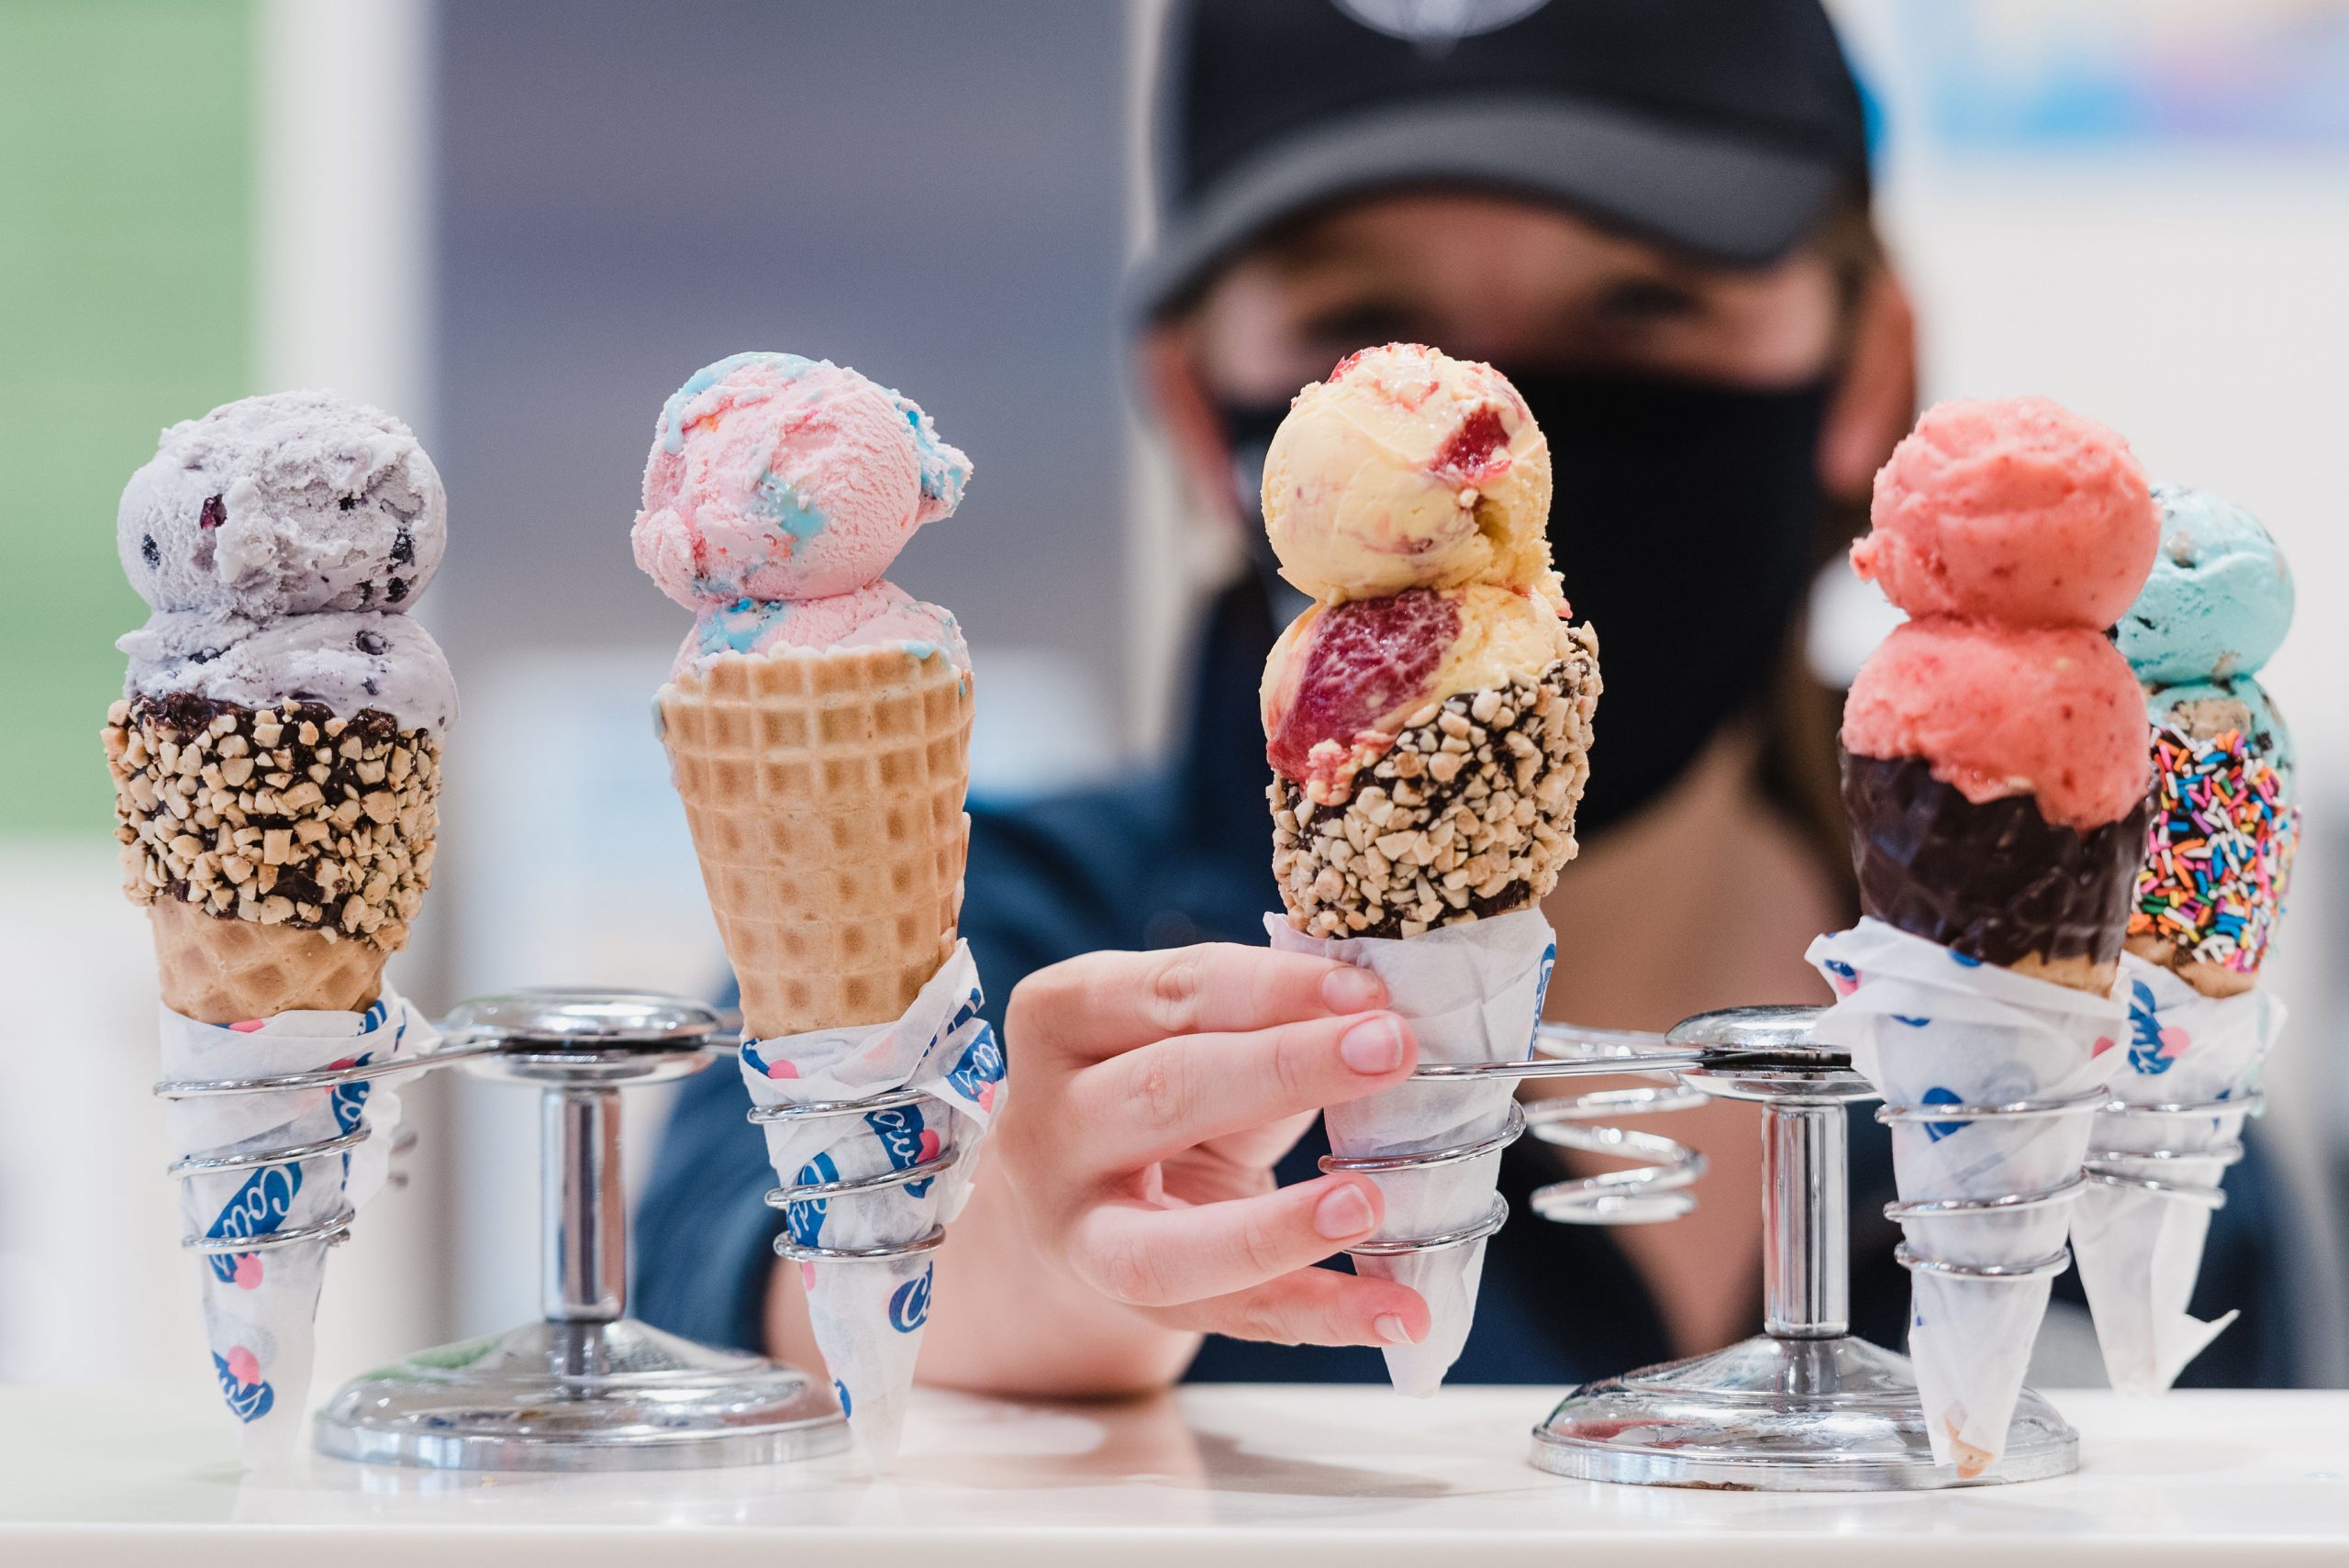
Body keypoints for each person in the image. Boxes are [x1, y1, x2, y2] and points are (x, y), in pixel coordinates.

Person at [637, 0, 2303, 1396]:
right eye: (1366, 322)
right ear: (1197, 408)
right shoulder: (991, 945)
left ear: (1868, 364)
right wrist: (1024, 1259)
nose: (1499, 411)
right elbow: (763, 1295)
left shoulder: (2103, 1063)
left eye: (1642, 298)